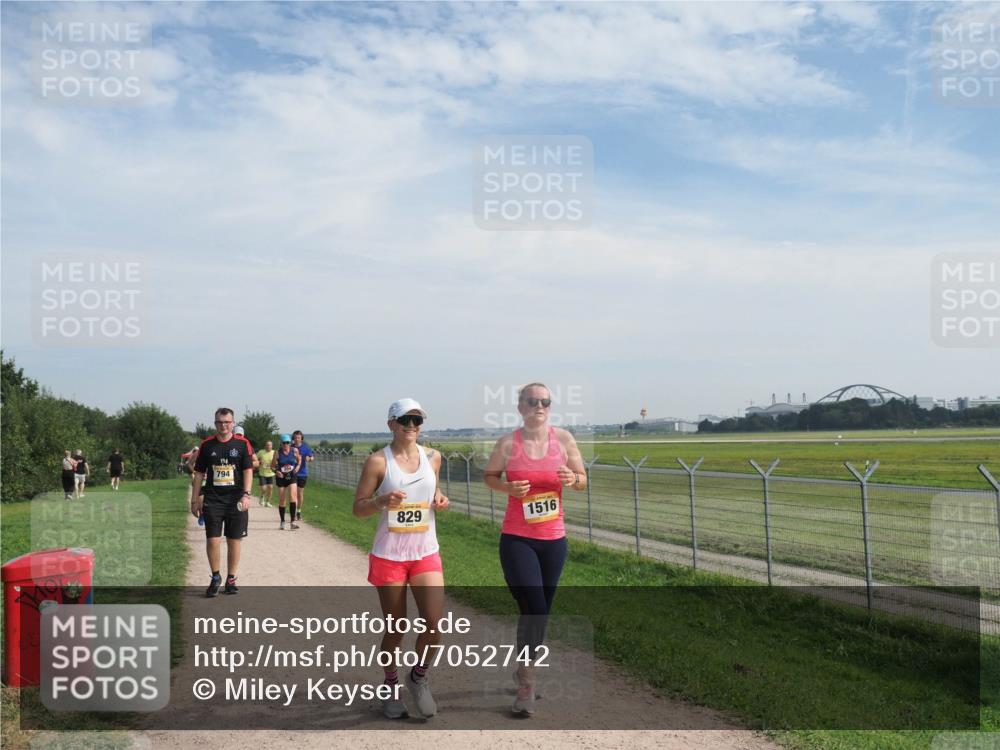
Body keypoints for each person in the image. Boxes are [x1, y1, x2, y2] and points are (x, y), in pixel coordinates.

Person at [483, 383, 588, 716]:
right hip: (518, 539)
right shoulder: (507, 444)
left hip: (554, 540)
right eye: (533, 401)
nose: (539, 406)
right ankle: (527, 684)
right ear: (520, 407)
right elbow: (489, 477)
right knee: (535, 607)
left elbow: (583, 479)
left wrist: (573, 479)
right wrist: (508, 487)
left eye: (545, 401)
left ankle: (523, 669)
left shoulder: (565, 440)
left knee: (536, 611)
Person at [353, 398, 449, 720]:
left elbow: (432, 489)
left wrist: (438, 497)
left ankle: (418, 678)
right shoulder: (378, 462)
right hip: (390, 555)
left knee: (434, 624)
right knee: (397, 628)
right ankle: (390, 685)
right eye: (404, 420)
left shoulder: (433, 457)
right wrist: (381, 501)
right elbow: (359, 508)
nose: (411, 427)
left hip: (425, 551)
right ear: (391, 423)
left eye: (417, 421)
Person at [191, 408, 254, 597]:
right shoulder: (207, 445)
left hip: (235, 499)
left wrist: (247, 495)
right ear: (215, 423)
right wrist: (194, 500)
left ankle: (231, 578)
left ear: (233, 423)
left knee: (234, 540)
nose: (223, 425)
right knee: (213, 540)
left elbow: (248, 470)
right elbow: (199, 473)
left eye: (227, 422)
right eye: (219, 422)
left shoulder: (243, 444)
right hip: (213, 499)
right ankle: (216, 577)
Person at [273, 434, 301, 530]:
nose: (286, 445)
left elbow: (299, 459)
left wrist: (297, 466)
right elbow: (272, 466)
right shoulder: (277, 453)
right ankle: (282, 521)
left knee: (293, 496)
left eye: (288, 443)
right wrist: (276, 471)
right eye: (284, 443)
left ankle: (292, 522)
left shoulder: (294, 450)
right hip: (281, 477)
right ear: (281, 443)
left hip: (291, 475)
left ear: (290, 443)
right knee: (282, 499)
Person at [291, 430, 313, 521]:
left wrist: (310, 459)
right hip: (292, 473)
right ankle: (294, 512)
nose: (297, 439)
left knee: (300, 493)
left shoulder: (306, 447)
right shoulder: (290, 447)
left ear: (301, 438)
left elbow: (311, 457)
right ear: (293, 438)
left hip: (303, 473)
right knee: (293, 494)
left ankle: (299, 511)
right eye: (295, 437)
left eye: (299, 438)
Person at [257, 440, 276, 507]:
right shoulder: (261, 452)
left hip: (271, 473)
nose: (268, 446)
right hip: (262, 473)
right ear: (265, 446)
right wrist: (259, 461)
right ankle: (262, 497)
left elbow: (277, 461)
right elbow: (255, 460)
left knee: (270, 487)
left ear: (272, 446)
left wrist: (274, 464)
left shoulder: (274, 453)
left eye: (270, 445)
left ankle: (268, 502)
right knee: (264, 488)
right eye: (267, 445)